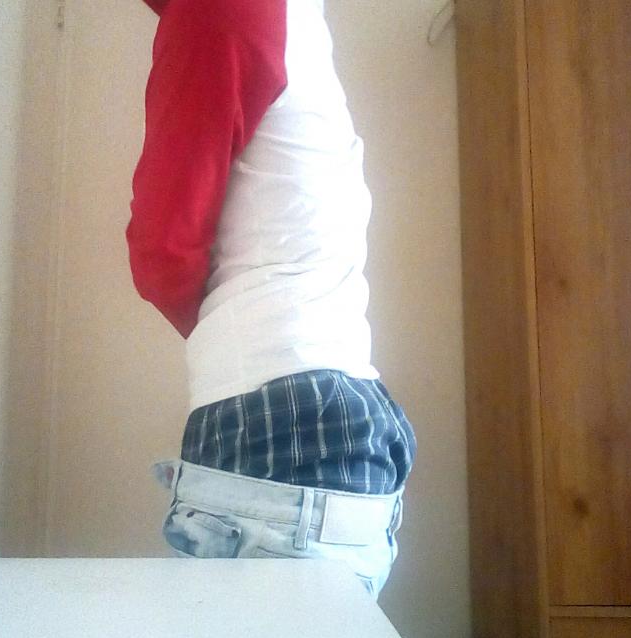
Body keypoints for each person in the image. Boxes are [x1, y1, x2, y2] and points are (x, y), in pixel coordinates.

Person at [125, 0, 417, 600]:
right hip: (341, 415)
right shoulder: (297, 18)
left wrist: (224, 335)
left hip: (284, 425)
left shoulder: (220, 9)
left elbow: (162, 251)